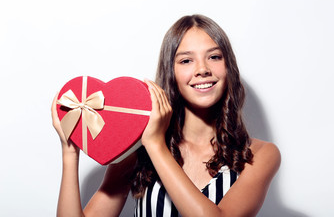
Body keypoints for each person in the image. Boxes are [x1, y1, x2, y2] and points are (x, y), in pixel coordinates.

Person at [52, 14, 281, 217]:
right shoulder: (136, 151)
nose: (202, 69)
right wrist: (69, 151)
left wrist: (154, 144)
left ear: (228, 66)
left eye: (214, 57)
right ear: (170, 72)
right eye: (186, 60)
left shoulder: (260, 155)